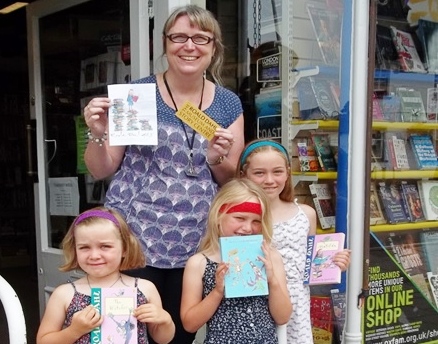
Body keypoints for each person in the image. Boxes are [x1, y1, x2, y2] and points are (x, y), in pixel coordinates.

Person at [82, 5, 244, 343]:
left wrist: (216, 158)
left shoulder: (228, 104)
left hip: (194, 242)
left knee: (180, 334)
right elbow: (102, 168)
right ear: (165, 43)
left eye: (201, 38)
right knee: (127, 333)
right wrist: (98, 132)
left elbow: (230, 180)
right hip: (134, 238)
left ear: (214, 47)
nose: (190, 46)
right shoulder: (136, 95)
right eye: (179, 37)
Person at [236, 139, 351, 344]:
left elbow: (311, 266)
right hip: (253, 304)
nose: (269, 180)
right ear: (244, 174)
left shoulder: (305, 215)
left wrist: (334, 264)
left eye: (277, 172)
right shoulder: (239, 217)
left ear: (288, 172)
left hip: (296, 305)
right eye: (259, 173)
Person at [36, 207, 175, 344]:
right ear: (75, 250)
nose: (94, 256)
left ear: (125, 249)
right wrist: (74, 331)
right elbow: (43, 340)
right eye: (84, 247)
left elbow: (162, 339)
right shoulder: (64, 294)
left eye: (105, 246)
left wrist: (165, 320)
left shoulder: (145, 288)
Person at [180, 178, 292, 343]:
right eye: (240, 218)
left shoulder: (270, 257)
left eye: (256, 221)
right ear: (219, 217)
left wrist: (272, 281)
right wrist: (217, 291)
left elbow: (283, 317)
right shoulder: (199, 263)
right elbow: (189, 324)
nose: (248, 228)